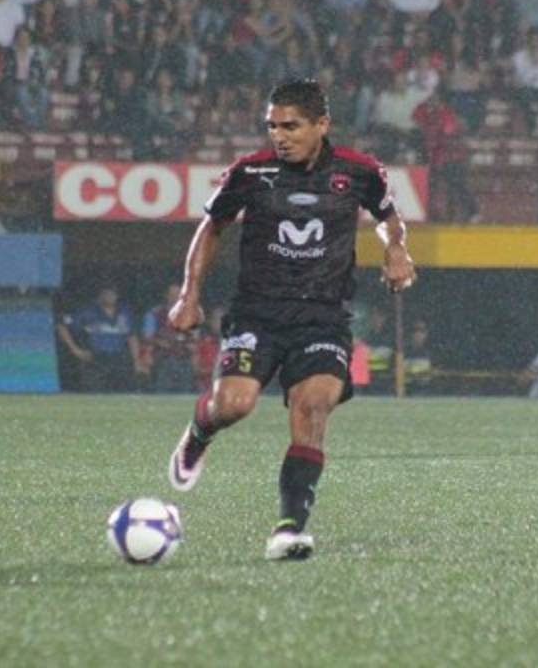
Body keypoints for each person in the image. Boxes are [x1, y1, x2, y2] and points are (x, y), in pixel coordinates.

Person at [164, 78, 416, 560]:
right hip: (257, 313)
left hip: (323, 317)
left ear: (322, 124)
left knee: (313, 406)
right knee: (234, 405)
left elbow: (388, 219)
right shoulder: (251, 172)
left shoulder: (359, 172)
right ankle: (199, 432)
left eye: (291, 126)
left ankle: (288, 529)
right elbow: (212, 227)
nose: (279, 136)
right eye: (272, 126)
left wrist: (397, 250)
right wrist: (190, 295)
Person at [56, 286, 145, 392]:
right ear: (100, 295)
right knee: (95, 391)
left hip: (119, 357)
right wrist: (75, 350)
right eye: (107, 293)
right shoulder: (87, 311)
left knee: (122, 390)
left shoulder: (124, 312)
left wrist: (136, 360)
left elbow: (132, 336)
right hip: (95, 357)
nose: (110, 296)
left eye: (113, 293)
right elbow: (61, 326)